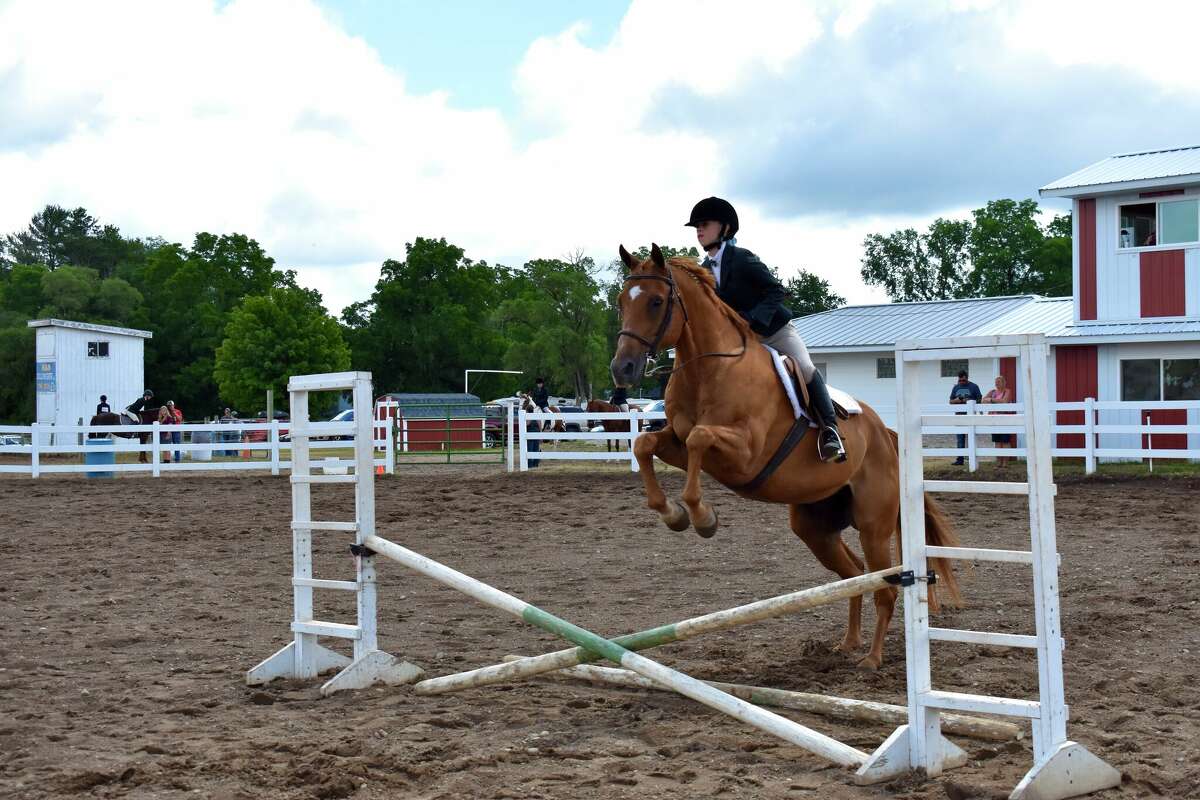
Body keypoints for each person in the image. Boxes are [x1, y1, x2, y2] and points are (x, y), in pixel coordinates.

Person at [685, 196, 845, 462]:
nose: (699, 230)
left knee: (805, 368)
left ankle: (831, 431)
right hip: (742, 340)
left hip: (775, 331)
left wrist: (752, 320)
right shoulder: (703, 271)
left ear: (724, 228)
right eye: (696, 226)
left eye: (704, 224)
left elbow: (775, 291)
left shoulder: (742, 259)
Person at [948, 370, 982, 465]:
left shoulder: (974, 387)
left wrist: (969, 400)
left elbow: (979, 399)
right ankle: (960, 459)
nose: (962, 382)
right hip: (959, 415)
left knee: (971, 437)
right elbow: (950, 401)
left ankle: (972, 458)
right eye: (960, 381)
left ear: (967, 378)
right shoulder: (955, 387)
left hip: (970, 415)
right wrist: (957, 400)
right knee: (960, 438)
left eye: (963, 380)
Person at [981, 375, 1014, 466]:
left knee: (1005, 440)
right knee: (997, 441)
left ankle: (1005, 462)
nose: (997, 384)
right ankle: (999, 461)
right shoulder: (992, 392)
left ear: (1004, 383)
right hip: (994, 419)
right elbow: (983, 400)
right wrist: (993, 400)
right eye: (996, 382)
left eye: (999, 382)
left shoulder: (1007, 391)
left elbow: (1005, 401)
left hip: (1004, 419)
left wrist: (991, 400)